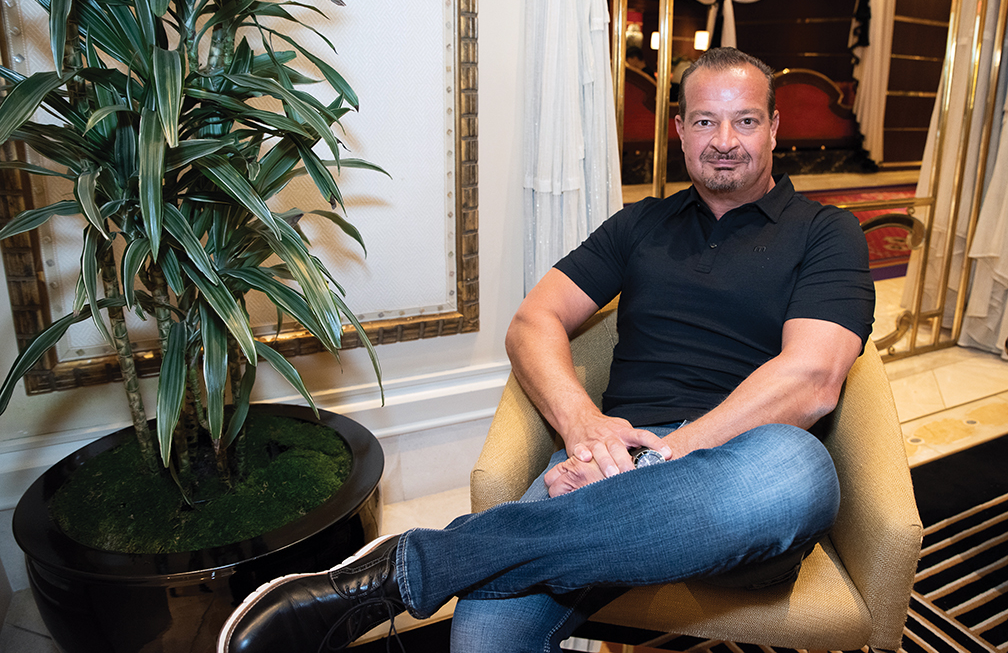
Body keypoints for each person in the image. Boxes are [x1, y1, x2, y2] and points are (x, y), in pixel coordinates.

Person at [217, 47, 875, 653]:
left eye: (746, 121)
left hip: (737, 481)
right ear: (679, 130)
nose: (724, 141)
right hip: (607, 463)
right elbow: (532, 321)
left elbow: (812, 377)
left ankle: (411, 570)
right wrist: (583, 425)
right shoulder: (640, 224)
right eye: (705, 121)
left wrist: (655, 462)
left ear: (774, 127)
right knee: (483, 637)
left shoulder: (827, 232)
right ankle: (458, 562)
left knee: (796, 470)